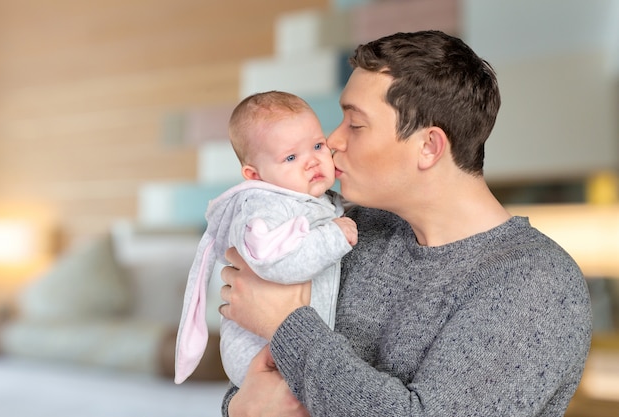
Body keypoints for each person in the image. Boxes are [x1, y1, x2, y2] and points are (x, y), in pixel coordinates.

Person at [218, 31, 592, 416]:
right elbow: (258, 388)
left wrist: (285, 325)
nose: (332, 141)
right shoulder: (353, 229)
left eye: (355, 124)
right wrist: (237, 409)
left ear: (428, 147)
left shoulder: (535, 284)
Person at [174, 91, 358, 387]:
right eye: (290, 157)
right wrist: (333, 237)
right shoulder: (262, 209)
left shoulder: (311, 198)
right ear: (255, 175)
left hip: (297, 345)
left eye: (317, 145)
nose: (312, 161)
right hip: (257, 348)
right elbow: (275, 263)